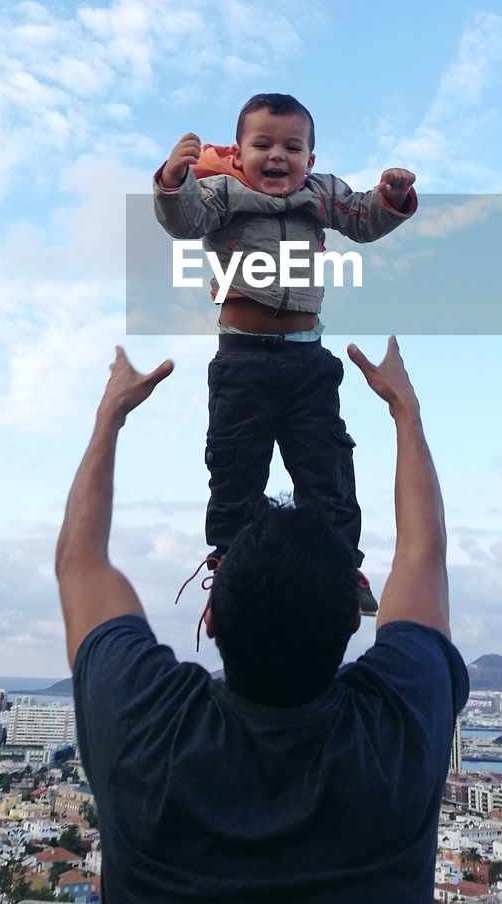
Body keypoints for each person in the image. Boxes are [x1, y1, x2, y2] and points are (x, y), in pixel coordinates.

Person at [57, 337, 469, 904]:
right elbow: (421, 555)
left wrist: (110, 418)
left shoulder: (148, 737)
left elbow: (81, 563)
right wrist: (404, 409)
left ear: (214, 618)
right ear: (355, 617)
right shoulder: (394, 741)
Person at [153, 92, 417, 613]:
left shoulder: (320, 194)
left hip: (306, 359)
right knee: (235, 462)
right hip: (242, 361)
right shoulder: (221, 194)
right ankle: (230, 556)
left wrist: (390, 197)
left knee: (327, 462)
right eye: (263, 144)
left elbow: (363, 220)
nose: (277, 155)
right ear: (239, 152)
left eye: (292, 147)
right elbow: (184, 220)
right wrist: (172, 180)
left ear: (310, 161)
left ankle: (342, 564)